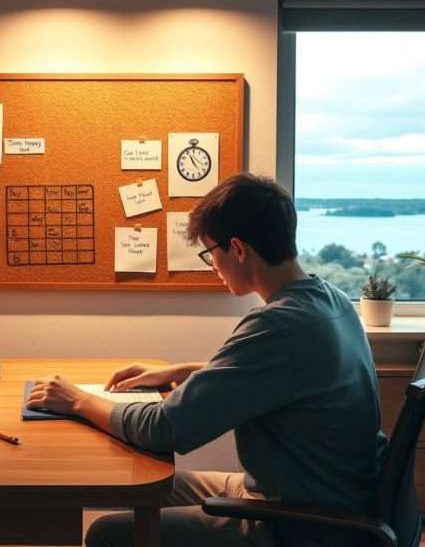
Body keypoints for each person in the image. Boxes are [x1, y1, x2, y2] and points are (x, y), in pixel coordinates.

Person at [25, 173, 388, 547]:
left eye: (210, 252)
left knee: (108, 533)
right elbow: (280, 379)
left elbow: (163, 428)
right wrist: (183, 371)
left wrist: (77, 400)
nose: (212, 264)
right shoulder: (329, 300)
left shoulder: (277, 325)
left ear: (238, 249)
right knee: (142, 486)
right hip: (323, 494)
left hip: (300, 523)